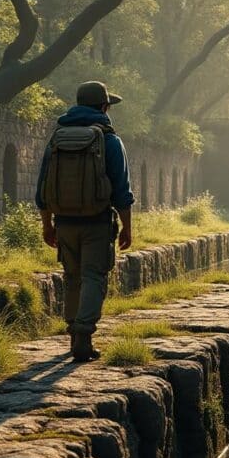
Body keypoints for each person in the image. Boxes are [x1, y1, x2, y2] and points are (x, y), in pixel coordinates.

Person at [36, 81, 134, 362]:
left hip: (64, 222)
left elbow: (42, 186)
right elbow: (122, 191)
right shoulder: (110, 140)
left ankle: (72, 333)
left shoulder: (57, 138)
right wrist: (127, 227)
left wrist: (47, 224)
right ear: (104, 107)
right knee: (93, 276)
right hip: (97, 222)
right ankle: (84, 335)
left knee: (72, 277)